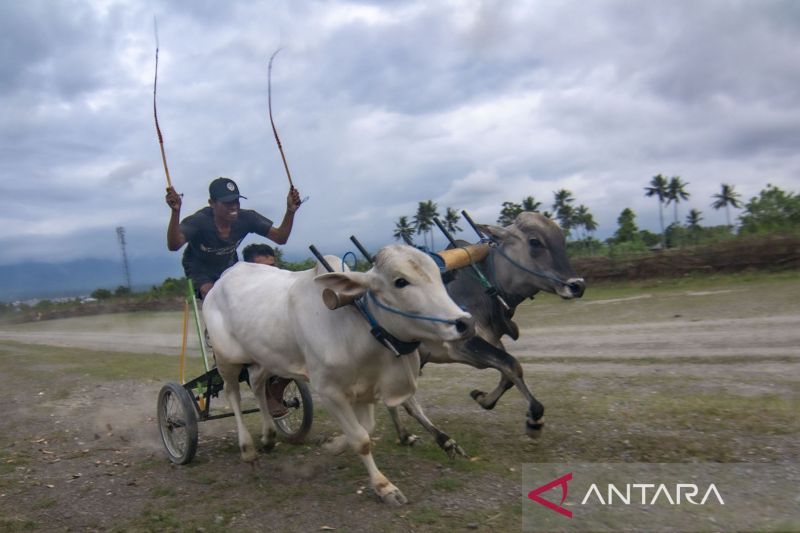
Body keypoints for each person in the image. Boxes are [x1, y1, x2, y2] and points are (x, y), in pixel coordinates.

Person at [165, 177, 301, 298]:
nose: (234, 206)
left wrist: (290, 211)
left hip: (228, 263)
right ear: (211, 203)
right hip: (199, 267)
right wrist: (175, 212)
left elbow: (280, 238)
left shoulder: (248, 218)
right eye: (227, 203)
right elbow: (174, 245)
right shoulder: (199, 221)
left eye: (236, 201)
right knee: (213, 295)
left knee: (239, 296)